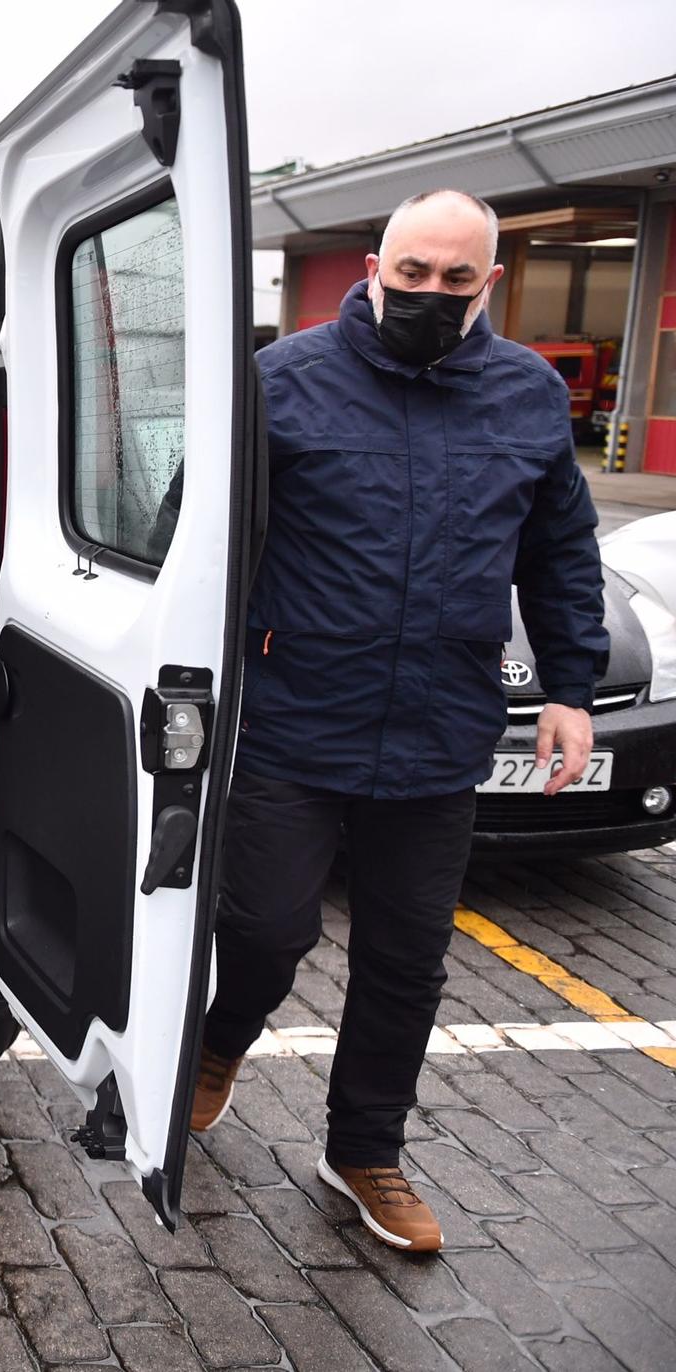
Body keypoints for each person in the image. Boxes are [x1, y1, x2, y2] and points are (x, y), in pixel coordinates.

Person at [190, 189, 607, 1252]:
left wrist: (568, 688)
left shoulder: (523, 397)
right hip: (293, 720)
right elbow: (200, 535)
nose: (427, 293)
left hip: (437, 731)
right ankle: (217, 1040)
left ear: (488, 284)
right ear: (372, 268)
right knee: (263, 926)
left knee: (404, 959)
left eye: (452, 279)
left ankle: (361, 1151)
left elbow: (558, 551)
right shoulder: (280, 382)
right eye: (409, 273)